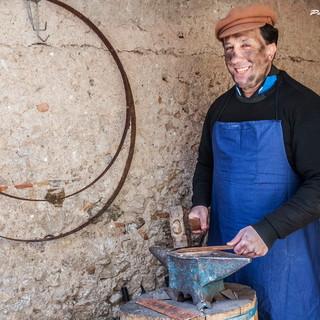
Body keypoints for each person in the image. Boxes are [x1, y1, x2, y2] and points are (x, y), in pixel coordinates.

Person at [188, 3, 320, 320]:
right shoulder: (219, 108)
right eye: (229, 49)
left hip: (286, 257)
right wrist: (200, 202)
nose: (236, 59)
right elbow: (206, 165)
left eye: (247, 46)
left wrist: (268, 229)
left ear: (270, 50)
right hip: (228, 253)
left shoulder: (303, 106)